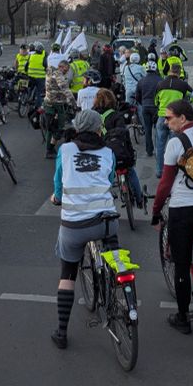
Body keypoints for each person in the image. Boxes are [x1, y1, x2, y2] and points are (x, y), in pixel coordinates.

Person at [50, 109, 119, 348]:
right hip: (106, 221)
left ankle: (61, 332)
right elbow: (109, 181)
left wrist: (57, 197)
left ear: (77, 128)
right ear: (100, 128)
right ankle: (119, 287)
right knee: (114, 256)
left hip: (74, 225)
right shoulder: (109, 151)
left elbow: (59, 182)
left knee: (67, 273)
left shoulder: (66, 149)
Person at [151, 99, 193, 334]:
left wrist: (155, 210)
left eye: (169, 117)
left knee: (181, 264)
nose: (165, 121)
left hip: (183, 209)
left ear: (182, 118)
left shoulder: (175, 143)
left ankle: (183, 317)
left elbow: (165, 184)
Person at [92, 88, 143, 206]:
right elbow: (122, 133)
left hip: (101, 151)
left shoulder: (93, 115)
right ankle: (139, 199)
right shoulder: (116, 115)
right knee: (130, 172)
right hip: (118, 151)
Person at [154, 65, 192, 178]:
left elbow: (155, 101)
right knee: (174, 147)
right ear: (179, 72)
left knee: (160, 146)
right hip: (175, 119)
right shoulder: (183, 85)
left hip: (162, 117)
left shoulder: (160, 84)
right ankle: (172, 173)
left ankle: (159, 171)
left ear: (169, 71)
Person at [43, 59, 76, 158]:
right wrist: (73, 102)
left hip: (48, 103)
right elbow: (64, 88)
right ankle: (50, 149)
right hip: (57, 105)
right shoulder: (58, 74)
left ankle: (49, 148)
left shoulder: (50, 72)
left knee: (50, 127)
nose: (67, 71)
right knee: (59, 128)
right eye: (67, 68)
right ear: (61, 66)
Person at [135, 60, 161, 157]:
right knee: (158, 129)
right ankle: (159, 149)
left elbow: (137, 96)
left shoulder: (141, 81)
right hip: (156, 108)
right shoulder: (160, 80)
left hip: (145, 107)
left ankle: (149, 150)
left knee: (147, 128)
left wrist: (143, 103)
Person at [26, 41, 47, 107]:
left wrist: (27, 72)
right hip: (40, 78)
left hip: (31, 77)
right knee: (39, 93)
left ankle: (27, 98)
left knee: (30, 88)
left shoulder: (31, 56)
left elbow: (26, 66)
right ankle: (38, 107)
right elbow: (46, 66)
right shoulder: (43, 57)